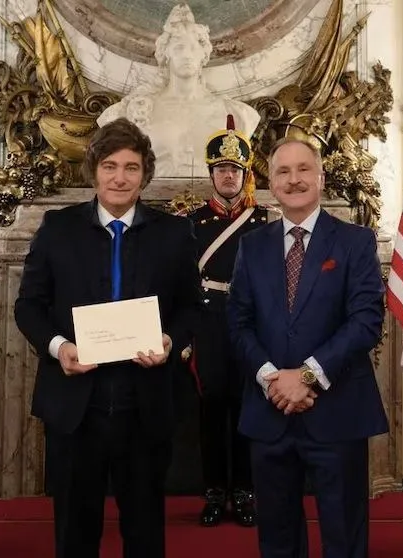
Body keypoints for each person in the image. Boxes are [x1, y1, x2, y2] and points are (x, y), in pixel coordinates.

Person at [14, 117, 200, 558]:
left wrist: (169, 340)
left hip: (145, 405)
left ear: (144, 174)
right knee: (75, 535)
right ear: (94, 170)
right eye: (110, 166)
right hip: (76, 406)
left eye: (131, 167)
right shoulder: (57, 228)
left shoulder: (174, 233)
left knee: (145, 533)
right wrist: (60, 348)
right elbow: (28, 306)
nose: (120, 178)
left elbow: (192, 307)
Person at [227, 137, 388, 558]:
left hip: (337, 412)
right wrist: (272, 379)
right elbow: (238, 323)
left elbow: (366, 321)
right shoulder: (252, 246)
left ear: (320, 177)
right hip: (269, 412)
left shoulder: (355, 241)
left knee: (344, 537)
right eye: (283, 171)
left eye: (303, 169)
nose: (293, 179)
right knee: (277, 538)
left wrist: (308, 375)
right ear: (270, 182)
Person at [185, 115, 270, 527]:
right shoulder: (191, 223)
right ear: (211, 175)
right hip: (209, 322)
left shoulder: (265, 222)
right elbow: (182, 281)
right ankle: (215, 491)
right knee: (212, 408)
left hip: (250, 323)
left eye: (235, 169)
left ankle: (245, 491)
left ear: (245, 174)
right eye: (221, 169)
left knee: (246, 406)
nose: (228, 176)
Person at [96, 4, 259, 178]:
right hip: (149, 194)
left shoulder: (236, 113)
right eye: (179, 48)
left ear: (204, 55)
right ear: (165, 54)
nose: (187, 55)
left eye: (193, 48)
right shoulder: (133, 110)